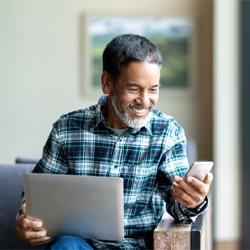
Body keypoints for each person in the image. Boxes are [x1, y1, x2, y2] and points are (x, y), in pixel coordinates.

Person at [16, 34, 213, 249]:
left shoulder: (168, 132)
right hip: (81, 244)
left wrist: (191, 201)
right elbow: (37, 197)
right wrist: (28, 221)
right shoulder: (67, 129)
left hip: (141, 245)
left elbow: (178, 210)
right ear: (107, 83)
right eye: (133, 88)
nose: (145, 101)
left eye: (153, 89)